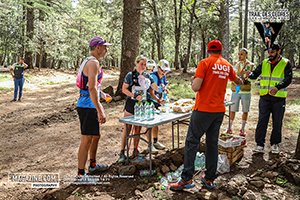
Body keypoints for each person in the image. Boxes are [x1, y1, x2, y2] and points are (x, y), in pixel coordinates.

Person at [170, 40, 243, 190]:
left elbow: (196, 87)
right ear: (221, 51)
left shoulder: (204, 63)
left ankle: (186, 179)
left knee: (192, 142)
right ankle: (209, 178)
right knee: (212, 143)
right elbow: (238, 81)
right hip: (219, 111)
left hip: (203, 109)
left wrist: (193, 81)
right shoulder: (227, 65)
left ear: (208, 50)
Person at [246, 43, 293, 154]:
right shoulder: (264, 63)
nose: (270, 54)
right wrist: (249, 74)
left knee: (277, 122)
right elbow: (255, 74)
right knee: (262, 121)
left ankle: (275, 144)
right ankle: (259, 145)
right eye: (269, 52)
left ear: (278, 51)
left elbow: (288, 78)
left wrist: (278, 87)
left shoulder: (286, 63)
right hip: (264, 97)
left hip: (278, 98)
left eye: (272, 52)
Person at [76, 36, 112, 176]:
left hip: (88, 102)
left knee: (95, 136)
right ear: (98, 47)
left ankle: (93, 164)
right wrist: (100, 109)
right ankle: (80, 174)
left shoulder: (89, 61)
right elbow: (91, 88)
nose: (106, 50)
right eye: (104, 47)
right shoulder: (93, 63)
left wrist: (102, 94)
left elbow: (92, 86)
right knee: (86, 139)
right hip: (87, 105)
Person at [118, 55, 158, 163]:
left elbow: (154, 88)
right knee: (127, 128)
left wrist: (159, 87)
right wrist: (134, 95)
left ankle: (135, 150)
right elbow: (124, 89)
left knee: (138, 129)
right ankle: (122, 152)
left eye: (145, 64)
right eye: (142, 64)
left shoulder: (147, 76)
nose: (144, 66)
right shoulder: (130, 75)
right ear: (136, 63)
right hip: (131, 104)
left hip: (142, 105)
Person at [226, 48, 254, 137]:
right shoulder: (236, 64)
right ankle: (230, 127)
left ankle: (242, 129)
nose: (239, 56)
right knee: (233, 108)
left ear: (246, 55)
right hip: (237, 89)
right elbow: (233, 76)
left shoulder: (250, 65)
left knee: (245, 110)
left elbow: (246, 77)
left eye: (241, 54)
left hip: (245, 90)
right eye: (239, 54)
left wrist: (239, 76)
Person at [148, 59, 171, 151]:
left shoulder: (163, 76)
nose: (164, 72)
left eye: (166, 71)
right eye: (162, 70)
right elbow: (151, 92)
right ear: (158, 68)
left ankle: (155, 141)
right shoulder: (153, 77)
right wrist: (158, 100)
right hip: (150, 101)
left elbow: (163, 86)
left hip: (158, 101)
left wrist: (165, 90)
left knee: (156, 123)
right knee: (150, 123)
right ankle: (150, 145)